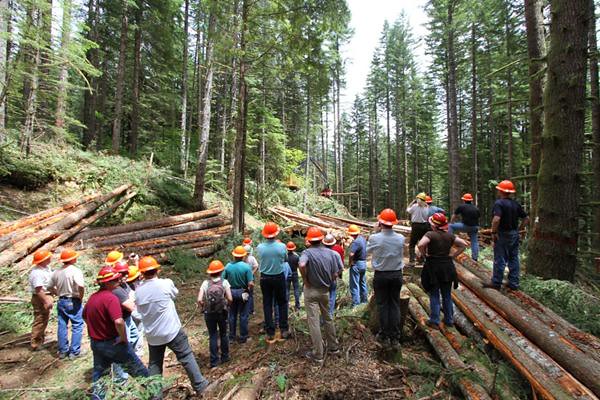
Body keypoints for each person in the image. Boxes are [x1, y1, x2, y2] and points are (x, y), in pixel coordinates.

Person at [135, 256, 209, 394]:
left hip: (153, 335)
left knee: (155, 365)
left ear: (142, 273)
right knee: (186, 356)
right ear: (157, 270)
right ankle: (200, 386)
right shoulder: (165, 283)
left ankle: (155, 395)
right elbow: (175, 294)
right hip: (172, 331)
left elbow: (138, 312)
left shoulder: (138, 292)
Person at [83, 265, 148, 400]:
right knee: (137, 369)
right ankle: (156, 393)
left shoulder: (92, 298)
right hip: (112, 342)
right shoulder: (110, 298)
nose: (118, 281)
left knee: (100, 375)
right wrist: (123, 338)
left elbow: (84, 316)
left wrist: (97, 328)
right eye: (115, 280)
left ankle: (97, 398)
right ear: (106, 283)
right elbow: (119, 321)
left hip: (96, 343)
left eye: (118, 278)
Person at [418, 213, 468, 329]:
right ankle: (449, 320)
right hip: (447, 266)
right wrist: (453, 256)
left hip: (433, 266)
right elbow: (464, 244)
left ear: (433, 225)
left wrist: (424, 254)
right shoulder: (450, 235)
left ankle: (435, 321)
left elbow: (421, 244)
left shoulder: (430, 234)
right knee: (447, 295)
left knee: (434, 293)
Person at [299, 227, 341, 364]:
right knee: (328, 317)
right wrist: (329, 279)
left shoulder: (307, 253)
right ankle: (334, 347)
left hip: (311, 290)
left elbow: (302, 264)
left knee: (314, 321)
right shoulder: (332, 253)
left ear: (309, 240)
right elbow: (337, 272)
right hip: (325, 290)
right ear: (321, 239)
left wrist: (305, 280)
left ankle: (318, 354)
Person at [367, 209, 406, 348]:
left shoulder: (374, 238)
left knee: (383, 305)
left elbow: (366, 252)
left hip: (381, 275)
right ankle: (395, 337)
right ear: (394, 223)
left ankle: (384, 335)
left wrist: (375, 231)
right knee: (394, 304)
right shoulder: (401, 238)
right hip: (396, 274)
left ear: (380, 222)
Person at [484, 180, 529, 290]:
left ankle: (496, 282)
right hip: (514, 234)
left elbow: (496, 219)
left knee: (500, 258)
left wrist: (494, 232)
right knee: (514, 258)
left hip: (502, 234)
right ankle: (514, 283)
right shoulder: (515, 204)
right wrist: (519, 229)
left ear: (500, 191)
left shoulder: (499, 203)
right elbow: (526, 218)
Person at [256, 222, 289, 343]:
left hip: (265, 278)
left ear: (264, 234)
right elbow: (285, 259)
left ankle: (270, 332)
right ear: (276, 233)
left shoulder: (259, 247)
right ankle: (284, 329)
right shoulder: (282, 246)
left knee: (267, 304)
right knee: (282, 303)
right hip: (278, 277)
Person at [49, 248, 85, 359]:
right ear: (72, 259)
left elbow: (49, 286)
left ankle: (63, 351)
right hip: (73, 300)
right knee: (77, 325)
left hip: (61, 300)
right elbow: (81, 286)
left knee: (62, 325)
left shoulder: (56, 272)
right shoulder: (75, 271)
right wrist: (81, 296)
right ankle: (74, 351)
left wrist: (57, 293)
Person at [198, 260, 232, 368]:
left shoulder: (205, 283)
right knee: (223, 334)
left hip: (209, 313)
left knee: (212, 335)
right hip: (222, 312)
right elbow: (230, 298)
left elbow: (199, 299)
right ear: (221, 271)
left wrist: (203, 305)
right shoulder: (224, 282)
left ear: (210, 272)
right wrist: (227, 304)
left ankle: (214, 361)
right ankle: (225, 357)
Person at [223, 247, 254, 344]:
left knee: (232, 314)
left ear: (234, 255)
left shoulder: (228, 266)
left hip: (231, 292)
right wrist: (249, 290)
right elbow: (251, 283)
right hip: (242, 292)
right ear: (243, 256)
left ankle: (231, 337)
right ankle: (243, 336)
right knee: (243, 315)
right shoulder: (246, 267)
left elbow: (222, 280)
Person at [28, 250, 54, 351]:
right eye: (48, 257)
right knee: (40, 319)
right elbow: (38, 290)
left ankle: (41, 339)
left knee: (44, 318)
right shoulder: (37, 273)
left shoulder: (46, 269)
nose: (50, 258)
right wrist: (46, 300)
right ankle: (35, 343)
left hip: (45, 295)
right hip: (40, 297)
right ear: (43, 260)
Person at [449, 193, 480, 261]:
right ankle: (475, 258)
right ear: (471, 200)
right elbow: (478, 217)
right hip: (475, 227)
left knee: (450, 226)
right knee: (474, 242)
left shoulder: (461, 206)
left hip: (466, 226)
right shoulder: (475, 208)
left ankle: (448, 241)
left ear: (464, 200)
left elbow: (454, 215)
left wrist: (452, 222)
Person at [125, 264, 145, 358]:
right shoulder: (137, 286)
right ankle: (138, 352)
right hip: (136, 310)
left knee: (132, 332)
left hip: (129, 312)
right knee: (139, 332)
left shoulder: (125, 286)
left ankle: (132, 351)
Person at [407, 192, 431, 266]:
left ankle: (412, 261)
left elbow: (408, 210)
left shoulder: (414, 206)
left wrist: (411, 203)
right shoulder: (427, 207)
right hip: (425, 226)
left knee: (412, 244)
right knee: (423, 244)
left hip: (416, 226)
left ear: (417, 199)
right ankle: (423, 259)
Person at [323, 234, 344, 316]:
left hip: (322, 278)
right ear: (333, 244)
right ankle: (330, 314)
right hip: (332, 279)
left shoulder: (320, 254)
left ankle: (324, 315)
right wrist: (336, 274)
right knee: (332, 295)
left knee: (323, 297)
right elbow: (341, 268)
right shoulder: (336, 254)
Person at [347, 224, 368, 307]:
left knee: (354, 284)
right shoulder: (363, 239)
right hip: (363, 263)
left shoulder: (356, 242)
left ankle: (355, 304)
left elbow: (351, 254)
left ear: (351, 234)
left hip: (357, 264)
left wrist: (350, 263)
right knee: (362, 282)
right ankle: (364, 301)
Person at [243, 244, 259, 316]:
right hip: (250, 277)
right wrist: (252, 272)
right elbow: (256, 266)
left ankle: (245, 310)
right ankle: (251, 310)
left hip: (243, 277)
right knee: (250, 294)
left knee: (244, 292)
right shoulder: (252, 258)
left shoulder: (242, 258)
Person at [286, 241, 301, 311]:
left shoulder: (285, 257)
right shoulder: (296, 257)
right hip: (294, 273)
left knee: (287, 289)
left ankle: (286, 304)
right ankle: (297, 305)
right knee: (296, 289)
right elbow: (299, 266)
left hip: (287, 274)